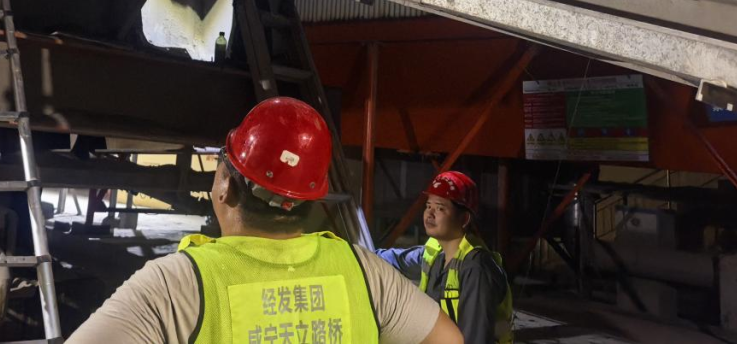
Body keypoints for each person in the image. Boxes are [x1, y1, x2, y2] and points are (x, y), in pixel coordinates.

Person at [68, 97, 463, 344]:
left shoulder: (175, 285)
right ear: (311, 197)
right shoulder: (363, 271)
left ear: (225, 186)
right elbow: (447, 339)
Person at [378, 172, 513, 344]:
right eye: (428, 206)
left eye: (440, 208)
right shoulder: (435, 253)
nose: (430, 214)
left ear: (464, 219)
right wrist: (357, 253)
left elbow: (475, 339)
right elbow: (394, 259)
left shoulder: (475, 269)